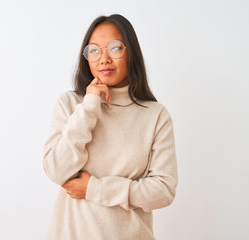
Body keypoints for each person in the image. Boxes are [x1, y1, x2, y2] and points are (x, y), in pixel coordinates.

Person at [42, 13, 178, 240]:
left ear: (130, 52)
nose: (103, 58)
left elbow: (163, 191)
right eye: (94, 50)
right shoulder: (70, 105)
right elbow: (56, 170)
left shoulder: (156, 116)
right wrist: (90, 105)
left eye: (115, 48)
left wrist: (95, 189)